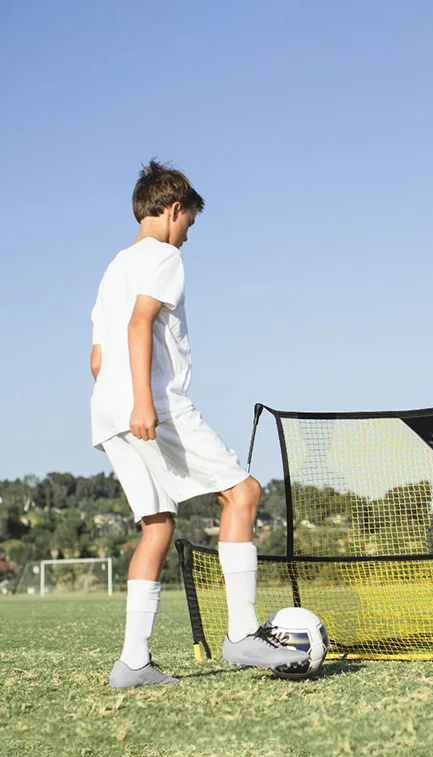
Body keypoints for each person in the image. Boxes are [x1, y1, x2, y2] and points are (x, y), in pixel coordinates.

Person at [90, 160, 309, 687]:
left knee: (157, 525)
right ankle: (242, 634)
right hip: (154, 403)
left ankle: (133, 664)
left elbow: (98, 359)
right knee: (243, 493)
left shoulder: (113, 268)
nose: (188, 234)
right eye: (188, 221)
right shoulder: (163, 255)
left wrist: (123, 402)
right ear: (173, 210)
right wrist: (144, 401)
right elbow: (140, 323)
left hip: (106, 411)